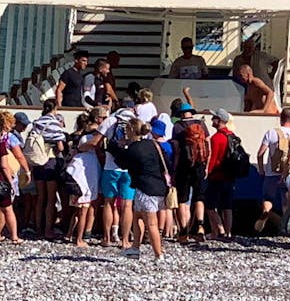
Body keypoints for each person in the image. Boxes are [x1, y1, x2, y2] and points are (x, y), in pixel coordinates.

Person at [109, 118, 170, 259]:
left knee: (151, 223)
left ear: (130, 131)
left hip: (145, 188)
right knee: (137, 216)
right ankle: (135, 248)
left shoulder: (133, 148)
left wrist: (116, 148)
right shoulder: (153, 144)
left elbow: (122, 163)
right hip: (159, 185)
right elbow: (165, 161)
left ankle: (158, 254)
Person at [90, 103, 135, 250]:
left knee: (109, 202)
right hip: (129, 168)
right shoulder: (136, 121)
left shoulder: (111, 120)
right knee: (127, 205)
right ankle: (125, 240)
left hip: (111, 167)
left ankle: (107, 238)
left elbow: (96, 141)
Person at [254, 108, 290, 233]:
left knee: (268, 198)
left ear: (280, 118)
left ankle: (266, 212)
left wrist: (261, 169)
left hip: (271, 173)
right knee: (287, 201)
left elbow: (260, 154)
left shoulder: (271, 133)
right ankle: (285, 227)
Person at [171, 102, 210, 242]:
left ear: (181, 114)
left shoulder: (177, 127)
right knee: (199, 197)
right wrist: (206, 164)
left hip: (184, 165)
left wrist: (174, 170)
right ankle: (200, 226)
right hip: (200, 164)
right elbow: (207, 143)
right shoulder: (201, 124)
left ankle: (183, 232)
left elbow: (176, 151)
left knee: (183, 199)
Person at [64, 111, 102, 247]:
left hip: (73, 181)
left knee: (76, 210)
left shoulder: (79, 154)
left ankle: (69, 234)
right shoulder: (91, 158)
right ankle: (79, 239)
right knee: (83, 211)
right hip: (83, 185)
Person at [30, 99, 67, 239]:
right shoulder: (54, 123)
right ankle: (48, 230)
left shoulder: (37, 122)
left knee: (40, 197)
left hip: (37, 162)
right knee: (51, 199)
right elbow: (60, 147)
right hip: (50, 161)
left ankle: (38, 228)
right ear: (55, 108)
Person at [204, 108, 235, 239]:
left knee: (210, 206)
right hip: (230, 175)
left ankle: (219, 229)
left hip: (217, 175)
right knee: (227, 206)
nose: (212, 120)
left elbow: (213, 158)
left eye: (214, 118)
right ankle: (228, 233)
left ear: (220, 120)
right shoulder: (232, 136)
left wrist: (207, 172)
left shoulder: (216, 138)